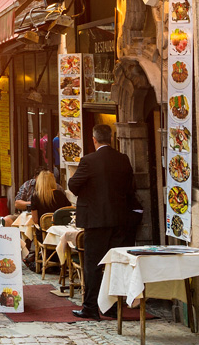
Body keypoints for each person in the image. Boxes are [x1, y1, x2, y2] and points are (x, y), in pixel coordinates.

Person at [68, 124, 137, 320]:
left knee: (94, 264)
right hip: (119, 219)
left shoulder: (89, 160)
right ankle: (113, 307)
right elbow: (130, 187)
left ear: (94, 139)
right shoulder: (122, 159)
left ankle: (90, 306)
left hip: (96, 221)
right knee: (115, 264)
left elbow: (73, 185)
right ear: (111, 138)